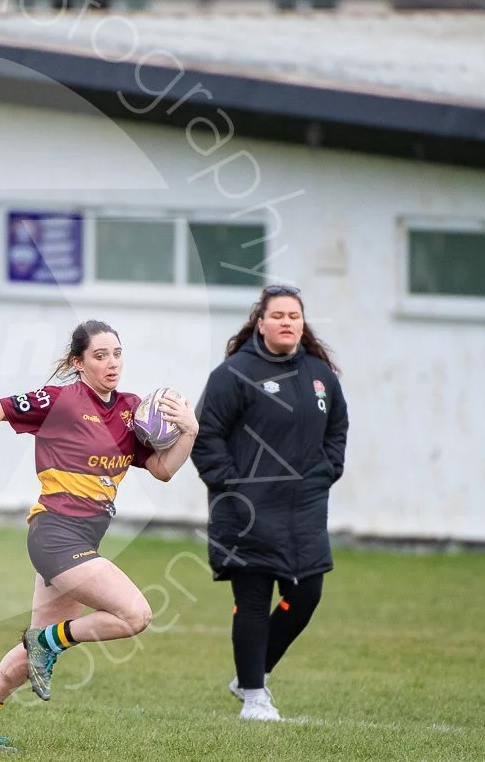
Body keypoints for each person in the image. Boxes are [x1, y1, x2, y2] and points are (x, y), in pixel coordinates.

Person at [0, 319, 198, 752]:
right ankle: (47, 642)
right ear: (78, 363)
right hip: (54, 534)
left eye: (117, 353)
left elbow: (164, 470)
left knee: (37, 650)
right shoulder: (60, 401)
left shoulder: (132, 410)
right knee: (135, 615)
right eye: (100, 355)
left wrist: (189, 431)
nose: (111, 363)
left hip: (81, 542)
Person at [191, 285, 349, 722]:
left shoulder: (320, 375)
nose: (286, 322)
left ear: (303, 323)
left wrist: (327, 470)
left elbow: (337, 428)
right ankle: (255, 697)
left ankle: (250, 674)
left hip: (305, 510)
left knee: (306, 597)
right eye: (277, 315)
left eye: (293, 316)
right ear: (260, 323)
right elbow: (206, 435)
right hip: (248, 513)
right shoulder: (233, 375)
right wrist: (230, 483)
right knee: (254, 602)